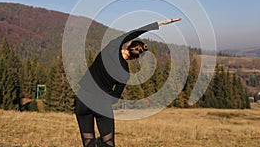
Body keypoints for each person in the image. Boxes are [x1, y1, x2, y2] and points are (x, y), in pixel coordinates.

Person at [75, 18, 182, 147]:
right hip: (102, 104)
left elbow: (134, 32)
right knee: (108, 143)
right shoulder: (125, 72)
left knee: (88, 142)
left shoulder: (112, 47)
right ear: (136, 57)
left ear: (128, 45)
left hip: (82, 100)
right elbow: (115, 98)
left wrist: (158, 23)